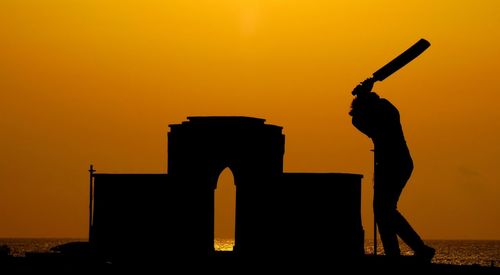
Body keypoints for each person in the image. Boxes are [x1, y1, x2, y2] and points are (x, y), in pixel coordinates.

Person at [349, 78, 435, 261]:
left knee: (384, 209)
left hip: (395, 163)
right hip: (391, 164)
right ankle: (397, 252)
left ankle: (416, 249)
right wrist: (364, 94)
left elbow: (367, 113)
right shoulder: (370, 116)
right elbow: (358, 117)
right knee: (383, 210)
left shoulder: (385, 109)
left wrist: (364, 94)